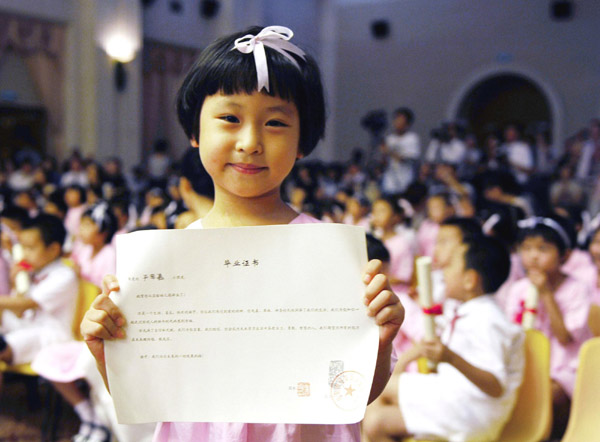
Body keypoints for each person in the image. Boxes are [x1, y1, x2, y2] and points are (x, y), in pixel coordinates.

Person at [80, 25, 404, 442]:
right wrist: (108, 350)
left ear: (302, 140)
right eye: (230, 118)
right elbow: (150, 394)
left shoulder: (331, 256)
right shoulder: (166, 260)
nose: (250, 142)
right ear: (195, 132)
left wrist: (377, 342)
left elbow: (353, 395)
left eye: (274, 123)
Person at [363, 235, 524, 442]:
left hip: (470, 411)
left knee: (377, 413)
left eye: (449, 268)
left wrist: (450, 357)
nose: (443, 274)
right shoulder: (472, 312)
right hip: (454, 399)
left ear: (470, 280)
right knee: (376, 408)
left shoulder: (489, 320)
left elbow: (495, 385)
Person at [502, 215, 593, 438]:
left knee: (548, 394)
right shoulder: (518, 289)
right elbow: (512, 333)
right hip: (528, 363)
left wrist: (546, 294)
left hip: (565, 366)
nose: (533, 256)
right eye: (526, 248)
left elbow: (564, 337)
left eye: (543, 249)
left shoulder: (577, 289)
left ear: (564, 255)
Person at [0, 214, 79, 387]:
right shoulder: (33, 271)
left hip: (50, 336)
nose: (25, 254)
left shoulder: (64, 275)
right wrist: (16, 281)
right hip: (28, 327)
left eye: (31, 248)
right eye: (23, 248)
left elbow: (27, 304)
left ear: (53, 249)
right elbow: (19, 311)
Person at [380, 107, 421, 195]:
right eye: (396, 119)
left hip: (405, 183)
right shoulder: (389, 139)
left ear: (407, 124)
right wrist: (383, 154)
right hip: (389, 183)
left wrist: (389, 151)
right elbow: (384, 163)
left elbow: (407, 159)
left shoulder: (412, 138)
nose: (397, 123)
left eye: (400, 120)